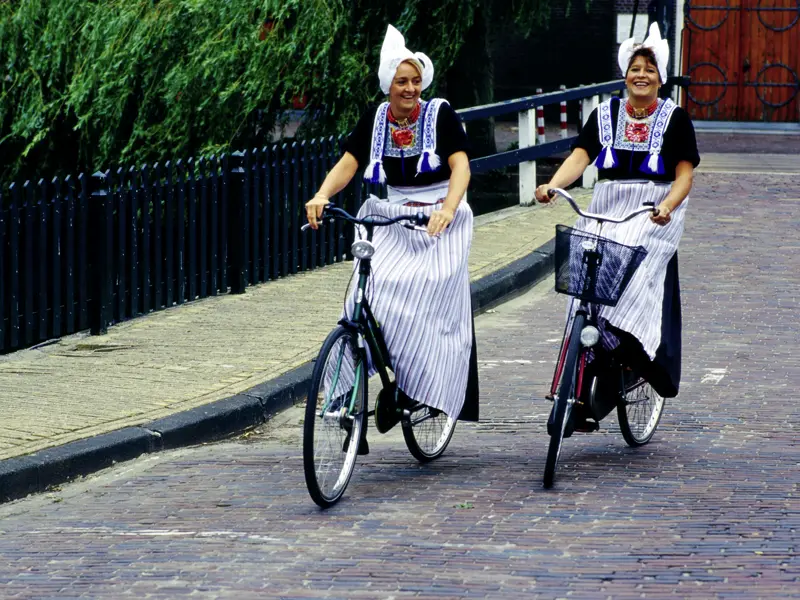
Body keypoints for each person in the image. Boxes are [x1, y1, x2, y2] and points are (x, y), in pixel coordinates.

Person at [305, 25, 479, 447]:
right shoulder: (376, 118)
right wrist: (322, 194)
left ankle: (424, 384)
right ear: (388, 85)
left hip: (440, 216)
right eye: (402, 81)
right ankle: (344, 398)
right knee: (360, 299)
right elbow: (350, 162)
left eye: (416, 80)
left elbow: (461, 167)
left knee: (422, 293)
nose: (410, 89)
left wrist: (449, 210)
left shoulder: (440, 114)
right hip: (391, 214)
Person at [535, 22, 700, 428]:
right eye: (634, 68)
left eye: (649, 69)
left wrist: (666, 206)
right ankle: (572, 392)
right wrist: (553, 186)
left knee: (628, 274)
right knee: (582, 288)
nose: (641, 75)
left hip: (653, 208)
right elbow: (580, 156)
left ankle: (629, 351)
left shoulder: (675, 118)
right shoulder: (605, 113)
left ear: (660, 77)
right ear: (625, 74)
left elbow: (684, 176)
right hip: (607, 205)